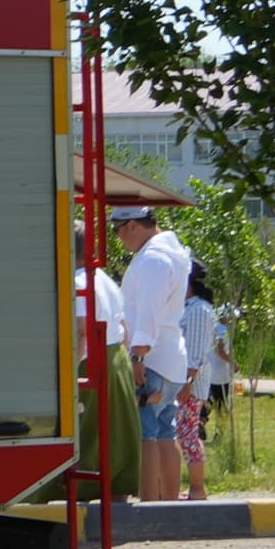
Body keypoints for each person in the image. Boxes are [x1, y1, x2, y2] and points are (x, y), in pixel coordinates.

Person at [113, 204, 194, 501]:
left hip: (152, 358)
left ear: (132, 225)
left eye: (118, 231)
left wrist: (137, 356)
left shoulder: (152, 259)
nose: (120, 239)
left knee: (147, 432)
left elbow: (148, 312)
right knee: (165, 431)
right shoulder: (173, 252)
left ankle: (150, 504)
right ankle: (168, 505)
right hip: (171, 357)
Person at [174, 254, 226, 500]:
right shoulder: (190, 308)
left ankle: (197, 488)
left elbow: (194, 353)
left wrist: (187, 384)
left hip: (190, 384)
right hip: (185, 381)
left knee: (187, 434)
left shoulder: (198, 311)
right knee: (184, 434)